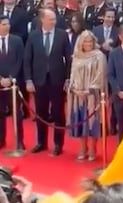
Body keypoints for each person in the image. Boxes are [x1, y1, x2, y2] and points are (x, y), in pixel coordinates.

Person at [24, 9, 71, 156]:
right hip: (39, 80)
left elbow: (69, 59)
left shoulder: (62, 35)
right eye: (51, 19)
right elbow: (27, 60)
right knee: (40, 113)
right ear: (42, 20)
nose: (54, 22)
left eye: (54, 19)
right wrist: (28, 79)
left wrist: (68, 78)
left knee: (58, 113)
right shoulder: (33, 36)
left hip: (57, 80)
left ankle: (58, 144)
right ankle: (41, 142)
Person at [67, 30, 107, 161]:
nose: (88, 44)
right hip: (78, 96)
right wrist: (75, 89)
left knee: (92, 123)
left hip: (92, 96)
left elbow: (100, 76)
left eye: (90, 41)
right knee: (80, 122)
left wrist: (89, 90)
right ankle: (83, 148)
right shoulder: (77, 56)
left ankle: (93, 148)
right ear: (81, 42)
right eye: (86, 41)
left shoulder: (99, 56)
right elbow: (72, 75)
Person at [0, 15, 25, 150]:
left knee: (17, 114)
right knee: (0, 113)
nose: (7, 26)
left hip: (14, 84)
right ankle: (1, 140)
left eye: (8, 24)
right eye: (4, 24)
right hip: (0, 84)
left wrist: (10, 78)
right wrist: (0, 80)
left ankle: (19, 141)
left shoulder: (17, 40)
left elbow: (20, 61)